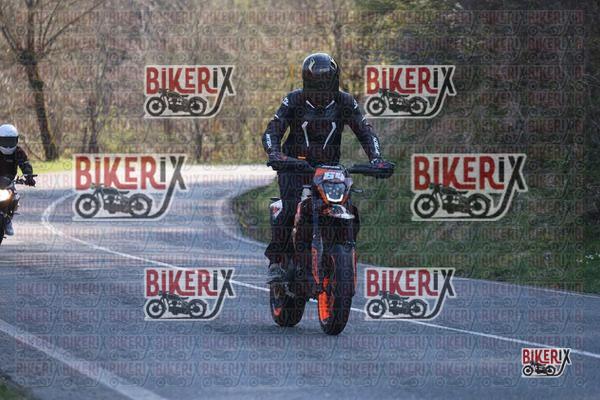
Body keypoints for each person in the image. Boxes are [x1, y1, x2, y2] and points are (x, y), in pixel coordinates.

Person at [261, 52, 394, 283]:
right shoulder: (293, 100)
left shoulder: (345, 102)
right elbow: (273, 129)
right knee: (291, 208)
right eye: (316, 85)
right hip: (294, 167)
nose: (322, 91)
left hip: (330, 170)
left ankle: (342, 248)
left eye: (326, 84)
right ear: (307, 83)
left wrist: (376, 158)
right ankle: (277, 261)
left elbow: (365, 130)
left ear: (334, 81)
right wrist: (275, 153)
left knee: (348, 207)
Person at [0, 124, 36, 236]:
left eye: (10, 141)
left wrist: (28, 176)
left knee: (14, 197)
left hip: (9, 181)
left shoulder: (18, 152)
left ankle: (7, 219)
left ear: (16, 140)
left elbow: (25, 164)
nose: (8, 145)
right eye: (5, 141)